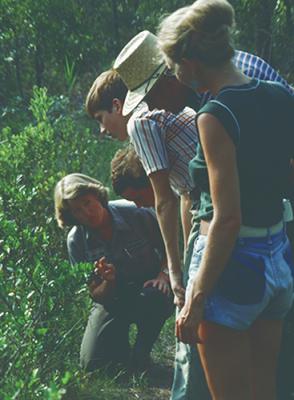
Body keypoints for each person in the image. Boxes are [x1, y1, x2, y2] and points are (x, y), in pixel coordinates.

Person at [86, 33, 294, 399]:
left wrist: (188, 285)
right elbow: (191, 193)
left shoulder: (209, 112)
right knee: (268, 372)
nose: (151, 105)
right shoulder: (248, 87)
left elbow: (206, 210)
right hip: (275, 236)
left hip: (237, 245)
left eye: (149, 94)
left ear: (175, 73)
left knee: (219, 374)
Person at [157, 0, 294, 399]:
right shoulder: (279, 95)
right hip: (277, 258)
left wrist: (195, 298)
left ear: (189, 59)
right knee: (266, 390)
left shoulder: (215, 114)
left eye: (173, 66)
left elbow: (227, 218)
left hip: (231, 266)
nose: (175, 75)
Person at [54, 173, 173, 372]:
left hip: (149, 289)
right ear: (71, 215)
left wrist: (164, 274)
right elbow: (96, 294)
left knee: (156, 297)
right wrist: (108, 281)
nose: (87, 212)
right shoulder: (76, 241)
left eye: (87, 203)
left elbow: (171, 248)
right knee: (90, 364)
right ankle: (121, 352)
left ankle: (142, 353)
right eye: (77, 210)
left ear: (97, 196)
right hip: (112, 301)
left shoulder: (136, 212)